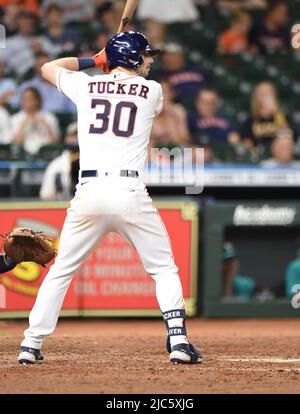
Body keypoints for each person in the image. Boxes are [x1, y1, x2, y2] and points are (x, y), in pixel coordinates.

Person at [17, 31, 201, 365]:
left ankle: (30, 344)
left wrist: (94, 61)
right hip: (128, 191)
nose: (150, 60)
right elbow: (129, 90)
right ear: (132, 58)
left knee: (61, 271)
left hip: (88, 192)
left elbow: (47, 68)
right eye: (145, 55)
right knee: (162, 268)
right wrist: (109, 63)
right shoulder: (153, 91)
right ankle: (178, 341)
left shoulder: (85, 85)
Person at [10, 52, 76, 113]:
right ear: (35, 67)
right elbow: (13, 103)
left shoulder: (64, 85)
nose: (43, 68)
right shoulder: (28, 86)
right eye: (40, 65)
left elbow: (74, 110)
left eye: (46, 65)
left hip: (61, 122)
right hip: (35, 120)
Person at [240, 82, 294, 151]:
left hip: (280, 156)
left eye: (269, 94)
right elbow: (246, 142)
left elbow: (288, 137)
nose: (266, 97)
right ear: (257, 97)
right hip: (258, 156)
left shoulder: (282, 116)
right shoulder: (250, 120)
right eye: (263, 94)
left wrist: (277, 113)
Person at [11, 87, 60, 156]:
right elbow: (15, 143)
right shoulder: (16, 118)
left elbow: (55, 142)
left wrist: (45, 125)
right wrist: (23, 124)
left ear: (38, 100)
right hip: (22, 155)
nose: (27, 102)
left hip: (46, 155)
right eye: (25, 99)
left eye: (30, 99)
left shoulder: (49, 117)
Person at [157, 42, 210, 107]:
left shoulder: (195, 69)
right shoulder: (161, 74)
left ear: (180, 55)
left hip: (203, 103)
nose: (168, 57)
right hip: (178, 106)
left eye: (172, 54)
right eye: (165, 55)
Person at [40, 122, 79, 200]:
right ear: (67, 138)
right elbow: (45, 195)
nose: (77, 137)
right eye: (74, 134)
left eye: (79, 134)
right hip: (63, 206)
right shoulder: (56, 165)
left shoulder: (95, 163)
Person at [151, 79, 189, 147]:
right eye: (159, 92)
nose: (161, 96)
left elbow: (182, 139)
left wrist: (170, 115)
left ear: (172, 94)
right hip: (154, 151)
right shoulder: (149, 110)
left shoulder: (178, 110)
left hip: (176, 149)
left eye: (165, 92)